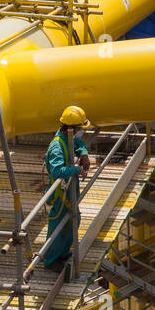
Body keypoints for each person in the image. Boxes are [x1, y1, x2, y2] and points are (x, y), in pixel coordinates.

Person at [45, 105, 94, 275]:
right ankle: (51, 260)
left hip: (67, 189)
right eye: (80, 129)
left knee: (73, 221)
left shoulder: (68, 139)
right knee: (58, 226)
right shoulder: (57, 147)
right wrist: (77, 170)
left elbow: (78, 143)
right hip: (59, 193)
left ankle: (62, 253)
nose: (82, 132)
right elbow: (56, 171)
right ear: (71, 129)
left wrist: (83, 153)